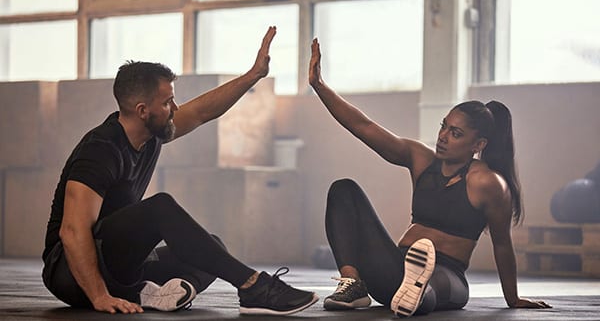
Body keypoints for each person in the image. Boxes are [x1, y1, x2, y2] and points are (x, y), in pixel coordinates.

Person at [41, 26, 318, 316]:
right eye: (167, 102)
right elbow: (72, 232)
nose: (175, 108)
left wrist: (253, 75)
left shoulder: (151, 133)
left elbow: (201, 112)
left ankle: (152, 293)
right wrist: (98, 296)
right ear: (142, 110)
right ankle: (253, 286)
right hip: (70, 274)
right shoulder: (100, 150)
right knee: (159, 208)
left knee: (212, 247)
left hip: (119, 267)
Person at [308, 38, 552, 317]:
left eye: (456, 133)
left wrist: (514, 299)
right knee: (344, 190)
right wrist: (319, 87)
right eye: (444, 127)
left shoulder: (488, 183)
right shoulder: (421, 159)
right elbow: (364, 127)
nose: (443, 137)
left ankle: (416, 294)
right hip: (395, 268)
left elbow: (502, 243)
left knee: (428, 288)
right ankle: (353, 285)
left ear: (478, 145)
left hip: (447, 276)